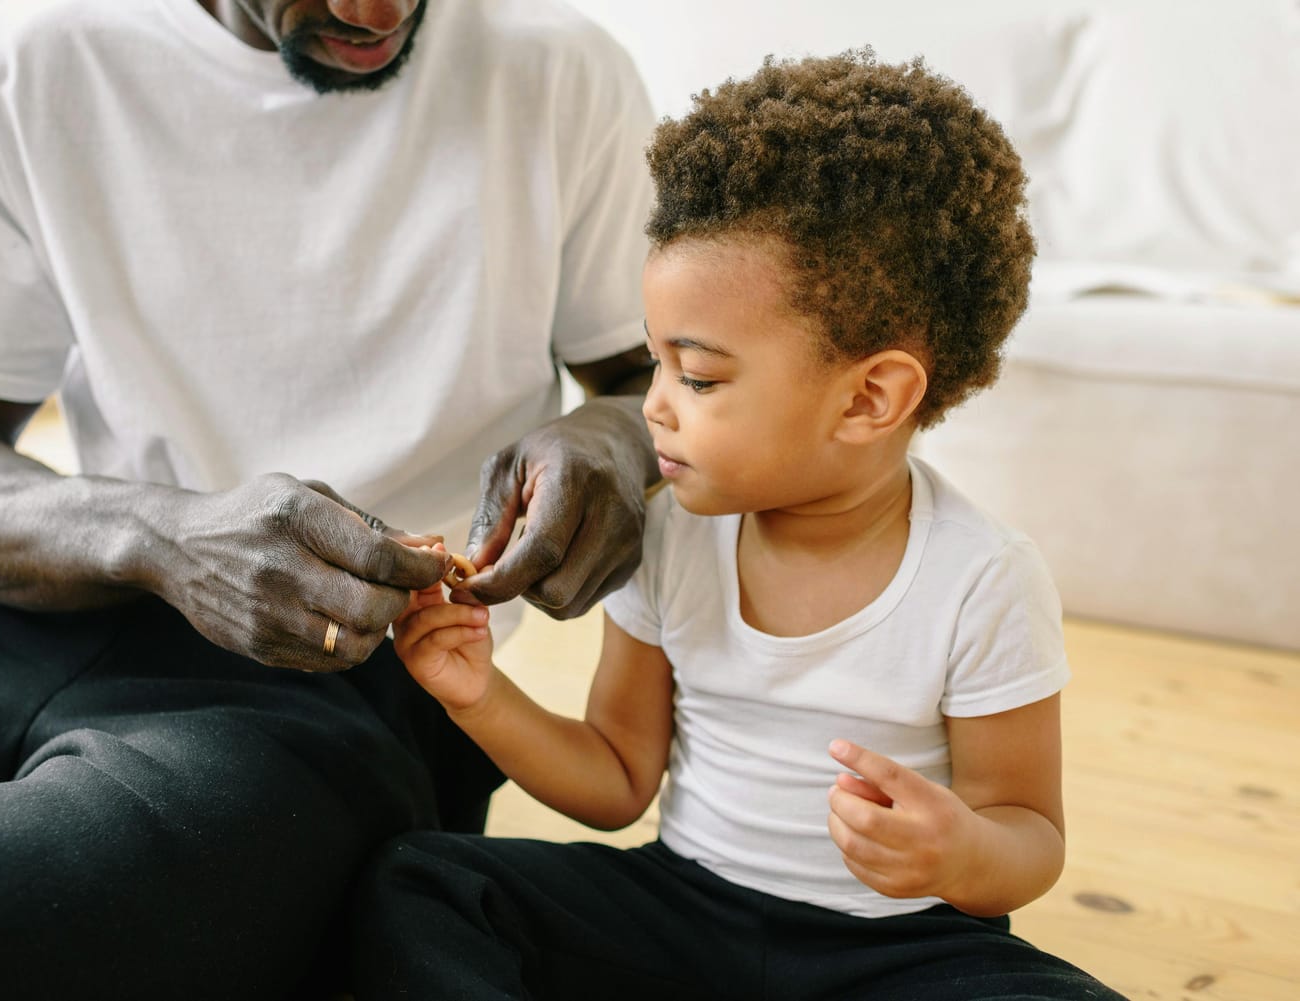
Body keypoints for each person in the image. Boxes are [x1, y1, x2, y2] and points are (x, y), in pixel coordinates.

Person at [0, 0, 662, 997]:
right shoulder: (25, 61)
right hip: (35, 616)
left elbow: (655, 379)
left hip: (351, 682)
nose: (373, 11)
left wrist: (614, 428)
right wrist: (163, 536)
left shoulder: (559, 72)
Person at [352, 50, 1127, 1000]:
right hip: (684, 916)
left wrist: (959, 852)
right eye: (658, 365)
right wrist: (479, 695)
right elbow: (616, 777)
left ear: (870, 398)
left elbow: (1029, 837)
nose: (655, 408)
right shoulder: (673, 533)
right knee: (428, 884)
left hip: (893, 955)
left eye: (701, 377)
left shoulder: (984, 578)